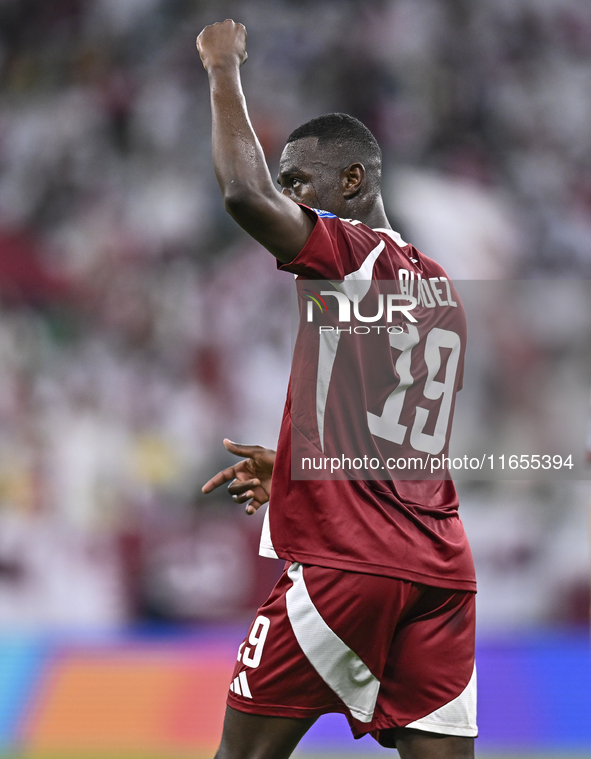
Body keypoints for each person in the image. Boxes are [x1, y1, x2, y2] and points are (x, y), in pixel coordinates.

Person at [197, 19, 477, 759]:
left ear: (350, 183)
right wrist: (291, 468)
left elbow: (241, 194)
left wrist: (220, 68)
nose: (289, 195)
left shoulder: (352, 254)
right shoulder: (437, 284)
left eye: (301, 180)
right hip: (440, 576)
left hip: (349, 566)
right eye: (287, 181)